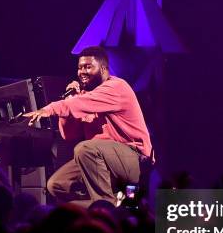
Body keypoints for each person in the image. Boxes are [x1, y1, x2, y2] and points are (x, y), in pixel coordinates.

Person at [24, 46, 152, 206]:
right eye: (79, 68)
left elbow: (81, 105)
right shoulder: (84, 98)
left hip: (135, 159)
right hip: (102, 160)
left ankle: (105, 207)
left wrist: (49, 109)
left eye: (88, 67)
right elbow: (69, 135)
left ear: (104, 69)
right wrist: (70, 98)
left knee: (85, 149)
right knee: (57, 185)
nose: (82, 72)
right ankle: (104, 207)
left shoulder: (116, 87)